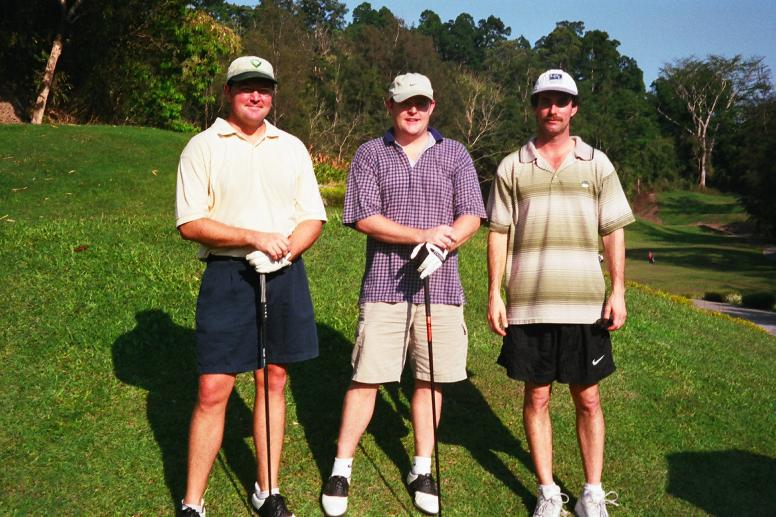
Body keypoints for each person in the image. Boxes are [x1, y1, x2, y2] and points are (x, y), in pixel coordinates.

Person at [320, 73, 485, 516]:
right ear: (389, 106)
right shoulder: (371, 153)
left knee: (430, 380)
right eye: (404, 103)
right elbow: (362, 216)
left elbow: (472, 212)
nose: (413, 110)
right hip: (385, 285)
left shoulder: (454, 153)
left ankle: (422, 467)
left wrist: (445, 242)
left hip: (442, 286)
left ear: (433, 106)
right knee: (367, 376)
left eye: (421, 103)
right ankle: (342, 467)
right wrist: (421, 236)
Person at [175, 55, 326, 517]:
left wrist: (285, 250)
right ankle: (193, 503)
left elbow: (312, 217)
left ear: (273, 94)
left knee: (273, 380)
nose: (256, 95)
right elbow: (190, 223)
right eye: (245, 87)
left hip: (283, 272)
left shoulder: (292, 146)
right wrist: (252, 237)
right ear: (229, 93)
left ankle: (267, 491)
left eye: (263, 87)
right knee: (214, 388)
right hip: (228, 275)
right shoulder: (203, 146)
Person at [486, 69, 635, 517]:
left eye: (561, 101)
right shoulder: (513, 165)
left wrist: (619, 290)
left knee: (588, 397)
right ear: (534, 107)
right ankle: (548, 491)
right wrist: (494, 292)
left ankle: (592, 491)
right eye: (544, 100)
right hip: (529, 304)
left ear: (574, 108)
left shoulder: (597, 163)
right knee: (537, 396)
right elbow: (498, 232)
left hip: (585, 303)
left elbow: (613, 231)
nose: (553, 109)